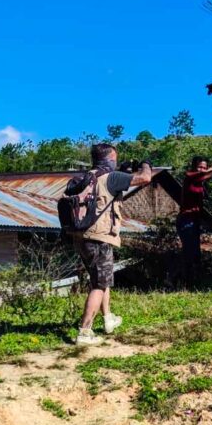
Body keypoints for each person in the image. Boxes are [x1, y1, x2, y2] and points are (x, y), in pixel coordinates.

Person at [74, 143, 153, 346]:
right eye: (114, 158)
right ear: (109, 158)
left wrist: (123, 171)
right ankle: (85, 331)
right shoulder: (111, 177)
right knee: (99, 284)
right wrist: (146, 164)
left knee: (101, 277)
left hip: (81, 235)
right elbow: (145, 178)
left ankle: (108, 319)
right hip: (100, 236)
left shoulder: (85, 177)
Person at [177, 152, 212, 283]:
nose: (202, 170)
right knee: (189, 252)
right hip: (186, 219)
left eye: (204, 167)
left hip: (194, 220)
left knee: (195, 253)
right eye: (200, 167)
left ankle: (193, 281)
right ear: (193, 167)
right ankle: (178, 280)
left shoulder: (199, 180)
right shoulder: (190, 176)